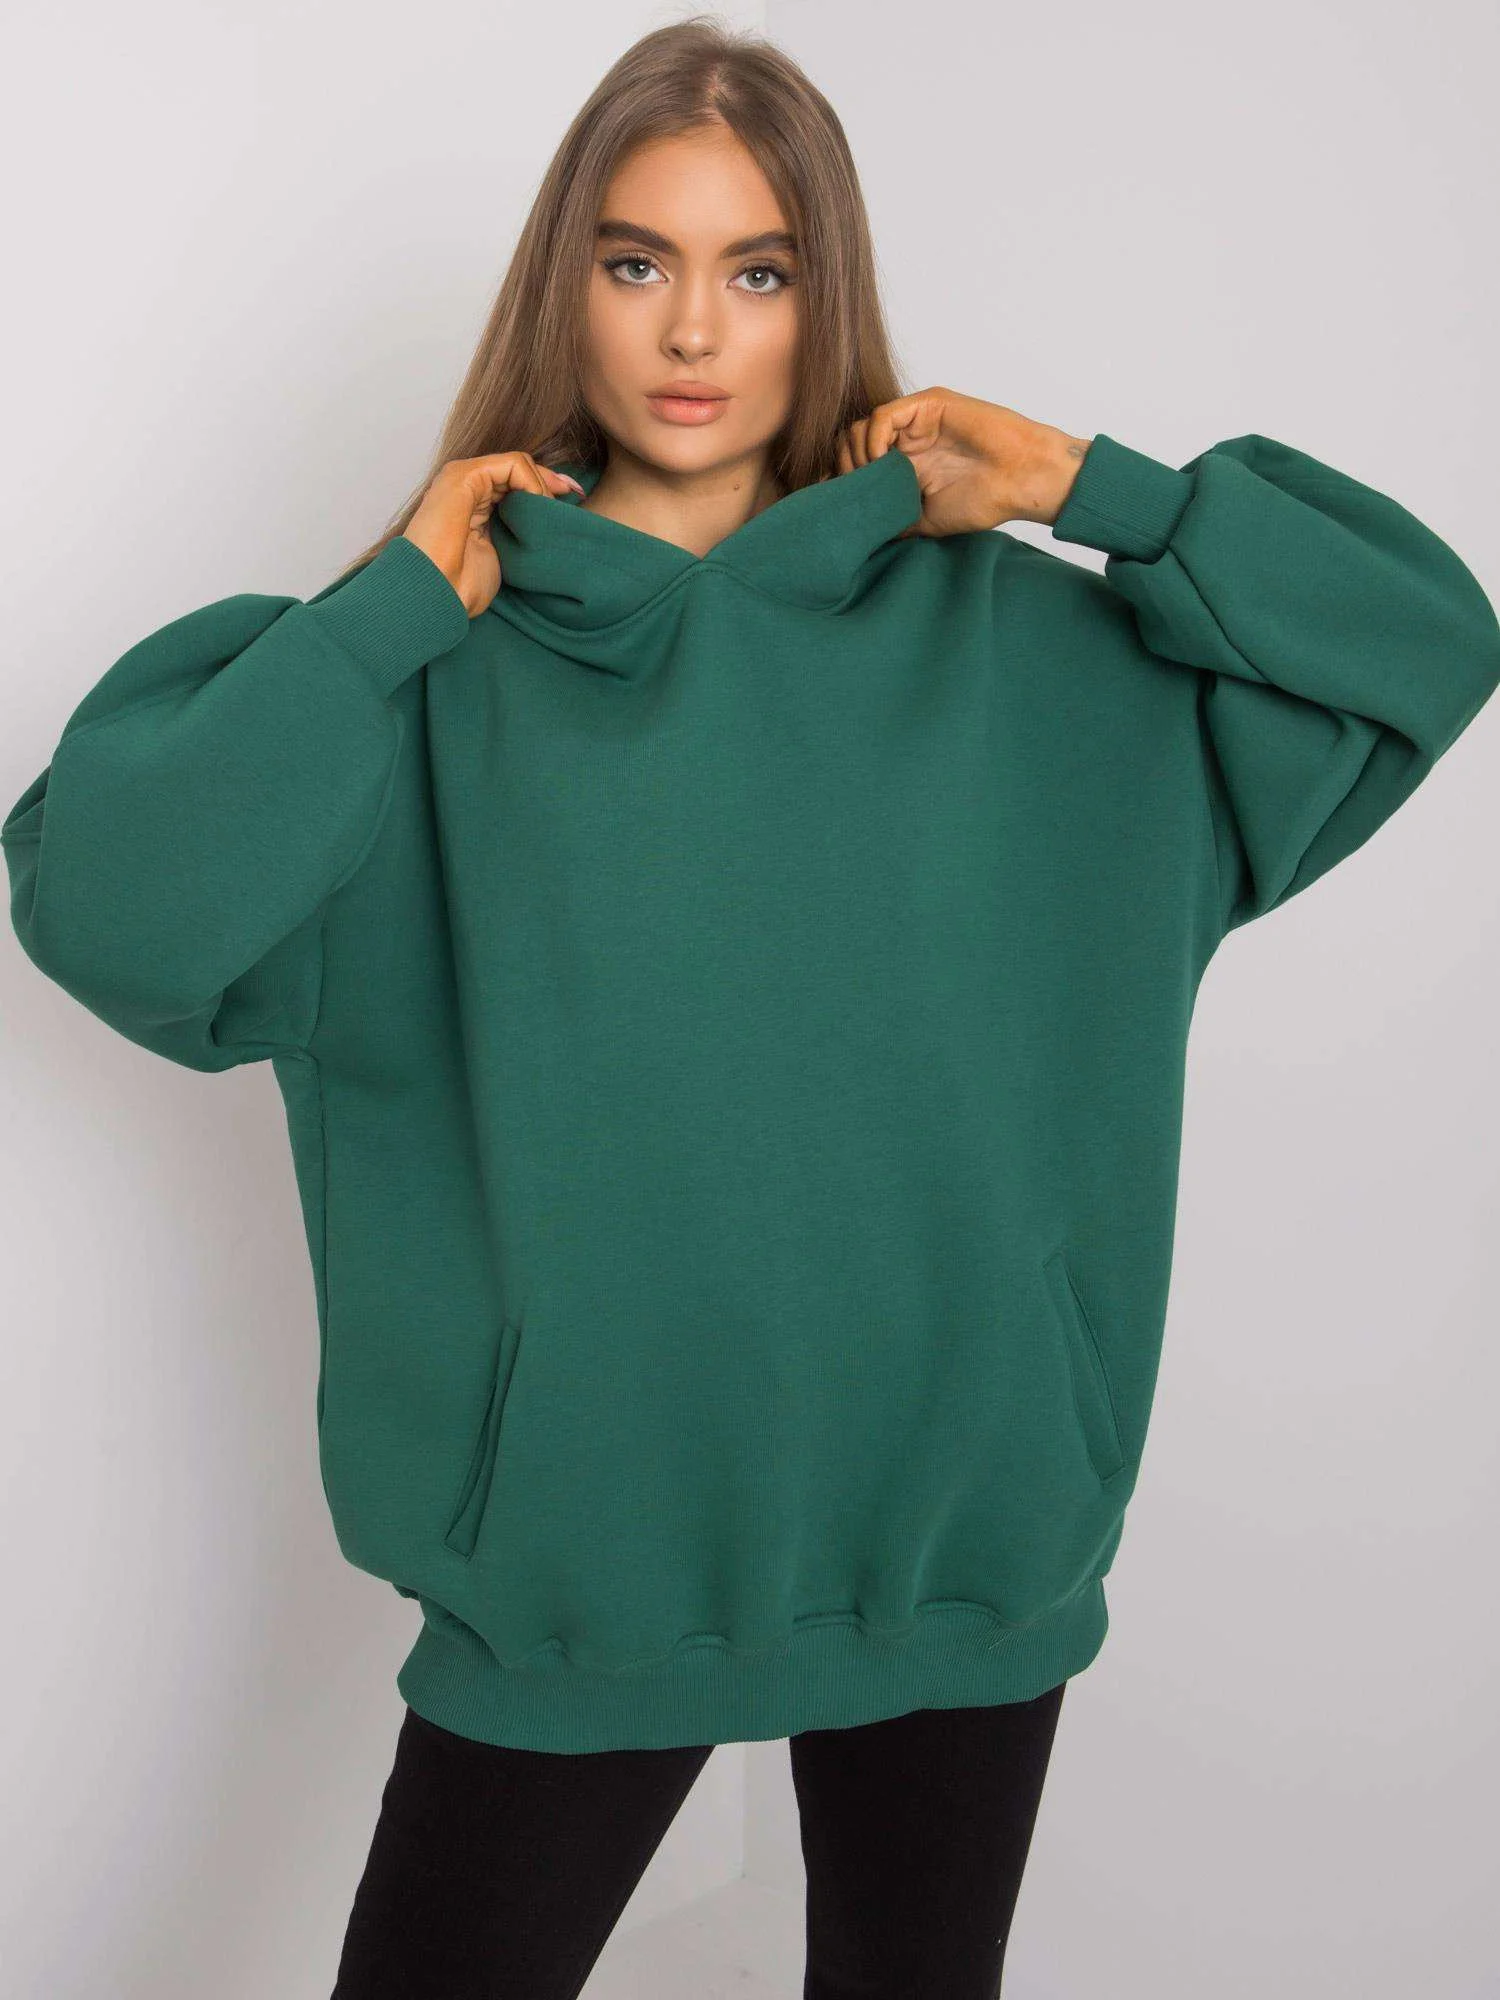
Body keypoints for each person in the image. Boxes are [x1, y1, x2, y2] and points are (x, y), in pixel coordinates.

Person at [6, 15, 1498, 1998]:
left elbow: (1424, 641)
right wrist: (378, 620)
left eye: (760, 269)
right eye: (638, 261)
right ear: (569, 288)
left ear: (827, 296)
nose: (694, 328)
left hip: (963, 1542)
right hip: (579, 1576)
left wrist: (1099, 487)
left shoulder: (1043, 661)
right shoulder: (416, 692)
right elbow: (103, 903)